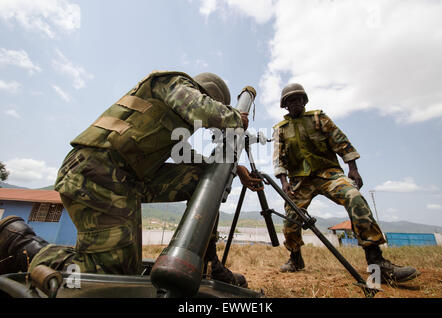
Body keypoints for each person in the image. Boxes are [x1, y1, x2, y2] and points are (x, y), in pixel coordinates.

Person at [0, 71, 262, 287]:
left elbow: (192, 160)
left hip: (125, 180)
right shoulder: (173, 84)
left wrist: (234, 168)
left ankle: (206, 261)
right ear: (206, 95)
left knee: (205, 181)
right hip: (94, 171)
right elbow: (200, 108)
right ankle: (20, 243)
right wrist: (233, 117)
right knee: (111, 275)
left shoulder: (173, 127)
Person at [272, 83, 420, 284]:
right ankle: (295, 259)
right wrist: (284, 182)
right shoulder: (280, 130)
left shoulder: (318, 118)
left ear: (304, 101)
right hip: (300, 181)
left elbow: (340, 141)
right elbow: (279, 159)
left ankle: (376, 262)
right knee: (291, 218)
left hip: (329, 174)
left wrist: (353, 168)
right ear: (285, 105)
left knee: (354, 197)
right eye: (290, 100)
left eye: (298, 99)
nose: (295, 103)